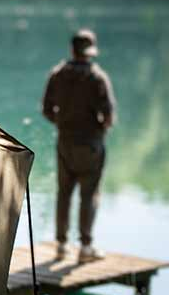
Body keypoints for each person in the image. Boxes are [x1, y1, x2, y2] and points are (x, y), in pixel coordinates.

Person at [42, 28, 116, 262]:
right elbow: (109, 116)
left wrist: (62, 123)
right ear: (91, 52)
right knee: (89, 194)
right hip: (91, 144)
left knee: (63, 193)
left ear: (72, 50)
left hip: (65, 142)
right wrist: (100, 129)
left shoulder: (57, 74)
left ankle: (61, 245)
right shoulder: (97, 78)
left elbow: (47, 110)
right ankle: (85, 248)